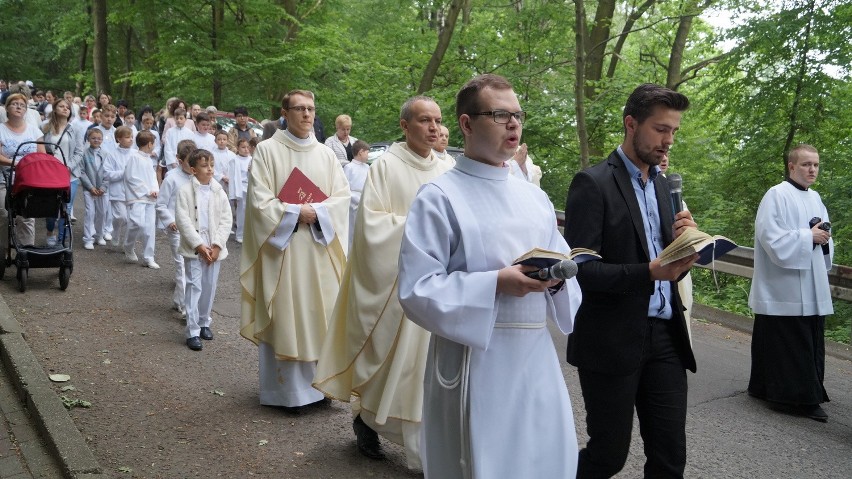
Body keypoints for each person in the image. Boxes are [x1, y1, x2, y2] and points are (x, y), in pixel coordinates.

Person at [397, 74, 582, 478]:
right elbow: (416, 289)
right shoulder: (440, 196)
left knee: (543, 461)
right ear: (466, 124)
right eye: (500, 114)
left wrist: (559, 277)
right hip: (474, 358)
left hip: (534, 355)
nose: (513, 124)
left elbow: (562, 262)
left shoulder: (534, 197)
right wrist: (496, 282)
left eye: (517, 115)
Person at [564, 83, 698, 478]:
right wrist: (648, 273)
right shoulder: (592, 184)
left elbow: (671, 268)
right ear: (630, 124)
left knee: (670, 456)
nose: (668, 140)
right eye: (660, 129)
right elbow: (580, 271)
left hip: (666, 337)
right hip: (611, 337)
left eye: (673, 131)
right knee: (608, 455)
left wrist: (685, 248)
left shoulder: (664, 185)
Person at [314, 96, 452, 467]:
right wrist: (422, 230)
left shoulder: (449, 167)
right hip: (398, 283)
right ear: (405, 126)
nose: (434, 128)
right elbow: (371, 226)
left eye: (438, 121)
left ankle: (429, 449)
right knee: (392, 362)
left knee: (427, 370)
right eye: (425, 121)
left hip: (440, 286)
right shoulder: (386, 166)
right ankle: (366, 418)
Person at [239, 89, 350, 412]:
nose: (307, 114)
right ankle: (287, 394)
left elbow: (342, 197)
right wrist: (293, 213)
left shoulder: (326, 154)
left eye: (311, 109)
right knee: (288, 314)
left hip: (318, 247)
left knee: (321, 315)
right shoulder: (268, 151)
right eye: (299, 109)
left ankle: (319, 388)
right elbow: (259, 201)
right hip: (283, 250)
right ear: (284, 113)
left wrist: (318, 212)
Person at [748, 144, 833, 422]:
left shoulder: (817, 197)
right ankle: (796, 399)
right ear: (792, 166)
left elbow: (822, 232)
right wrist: (807, 237)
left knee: (805, 338)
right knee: (788, 339)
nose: (812, 170)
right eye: (806, 164)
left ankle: (767, 387)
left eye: (816, 165)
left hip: (811, 280)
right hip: (783, 285)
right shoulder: (776, 195)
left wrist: (823, 238)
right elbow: (770, 237)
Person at [176, 148, 232, 351]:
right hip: (195, 247)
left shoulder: (219, 191)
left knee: (209, 286)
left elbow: (226, 218)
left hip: (214, 245)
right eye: (204, 166)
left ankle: (203, 322)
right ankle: (192, 330)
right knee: (194, 286)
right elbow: (183, 220)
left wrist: (217, 245)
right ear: (193, 169)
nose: (209, 170)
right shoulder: (185, 191)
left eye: (212, 165)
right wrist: (199, 245)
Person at [156, 139, 197, 316]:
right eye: (190, 163)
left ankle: (179, 300)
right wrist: (170, 221)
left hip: (194, 229)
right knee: (182, 267)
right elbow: (161, 204)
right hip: (177, 229)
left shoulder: (198, 177)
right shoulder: (171, 178)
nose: (194, 167)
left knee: (194, 268)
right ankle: (186, 307)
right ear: (180, 161)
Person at [0, 93, 44, 250]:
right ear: (7, 108)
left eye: (22, 105)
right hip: (4, 179)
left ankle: (26, 252)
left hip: (27, 180)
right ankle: (3, 252)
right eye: (14, 104)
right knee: (4, 214)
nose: (18, 106)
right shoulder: (1, 129)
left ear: (26, 110)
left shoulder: (34, 131)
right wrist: (16, 163)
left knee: (26, 216)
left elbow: (41, 155)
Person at [42, 98, 83, 246]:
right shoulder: (45, 128)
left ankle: (62, 240)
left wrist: (68, 167)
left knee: (66, 208)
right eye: (61, 106)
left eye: (67, 107)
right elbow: (41, 150)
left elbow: (79, 152)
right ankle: (50, 230)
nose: (65, 108)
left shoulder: (76, 129)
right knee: (50, 207)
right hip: (50, 174)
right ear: (54, 109)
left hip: (69, 175)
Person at [123, 131, 160, 269]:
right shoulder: (134, 157)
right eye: (153, 143)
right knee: (136, 223)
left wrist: (155, 190)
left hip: (150, 198)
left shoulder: (149, 159)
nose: (154, 145)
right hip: (138, 197)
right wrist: (146, 190)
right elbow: (131, 177)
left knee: (149, 228)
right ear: (150, 144)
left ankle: (148, 257)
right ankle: (128, 246)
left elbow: (153, 178)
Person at [78, 128, 110, 250]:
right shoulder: (84, 154)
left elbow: (108, 172)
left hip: (103, 190)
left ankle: (99, 235)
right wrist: (90, 187)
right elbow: (81, 172)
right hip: (89, 189)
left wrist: (103, 187)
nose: (96, 140)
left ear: (102, 139)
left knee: (102, 213)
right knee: (90, 213)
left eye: (99, 138)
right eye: (93, 138)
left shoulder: (106, 154)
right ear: (88, 139)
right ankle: (88, 238)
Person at [103, 126, 135, 246]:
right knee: (121, 217)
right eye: (127, 137)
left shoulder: (135, 154)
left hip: (133, 191)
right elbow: (106, 174)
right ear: (119, 139)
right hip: (117, 191)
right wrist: (124, 173)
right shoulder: (112, 155)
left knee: (131, 219)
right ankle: (115, 231)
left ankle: (127, 243)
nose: (131, 139)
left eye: (131, 137)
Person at [340, 140, 370, 251]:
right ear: (361, 152)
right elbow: (345, 189)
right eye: (367, 152)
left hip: (366, 202)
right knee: (352, 232)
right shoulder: (349, 168)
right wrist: (357, 199)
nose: (368, 155)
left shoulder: (367, 168)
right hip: (353, 204)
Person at [226, 138, 251, 243]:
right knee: (241, 212)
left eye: (247, 147)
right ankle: (239, 234)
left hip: (251, 187)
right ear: (238, 148)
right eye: (243, 147)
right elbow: (233, 177)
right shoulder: (234, 160)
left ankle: (250, 234)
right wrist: (234, 192)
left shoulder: (252, 159)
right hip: (241, 188)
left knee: (251, 212)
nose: (246, 149)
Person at [162, 108, 194, 174]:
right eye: (177, 118)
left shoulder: (190, 133)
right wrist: (172, 162)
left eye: (181, 118)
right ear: (174, 119)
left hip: (185, 163)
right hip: (172, 163)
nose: (179, 120)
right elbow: (167, 148)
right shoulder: (170, 132)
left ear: (185, 119)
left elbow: (191, 149)